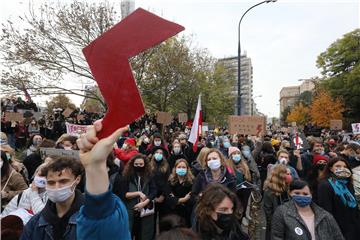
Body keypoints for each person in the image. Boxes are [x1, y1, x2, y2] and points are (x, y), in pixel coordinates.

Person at [75, 121, 131, 239]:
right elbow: (99, 215)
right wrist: (94, 166)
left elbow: (100, 213)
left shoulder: (118, 208)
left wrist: (95, 167)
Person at [21, 156, 84, 239]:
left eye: (63, 181)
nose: (57, 187)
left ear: (77, 179)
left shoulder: (91, 218)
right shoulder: (35, 222)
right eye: (51, 183)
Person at [271, 180, 344, 240]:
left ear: (311, 195)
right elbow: (276, 237)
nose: (301, 196)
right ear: (290, 193)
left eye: (305, 194)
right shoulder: (282, 213)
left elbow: (338, 236)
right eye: (297, 193)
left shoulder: (325, 216)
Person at [113, 153, 157, 240]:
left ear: (145, 164)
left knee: (144, 234)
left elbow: (153, 191)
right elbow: (124, 194)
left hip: (145, 211)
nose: (138, 166)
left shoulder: (149, 175)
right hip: (130, 210)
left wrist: (145, 202)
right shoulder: (126, 176)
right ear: (132, 164)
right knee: (129, 232)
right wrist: (138, 193)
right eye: (136, 164)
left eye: (141, 164)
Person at [317, 157, 360, 240]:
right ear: (331, 168)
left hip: (354, 225)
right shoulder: (325, 185)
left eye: (345, 166)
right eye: (338, 166)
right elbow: (326, 209)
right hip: (338, 226)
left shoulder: (348, 183)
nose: (342, 169)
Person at [263, 164, 291, 240]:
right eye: (287, 174)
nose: (289, 176)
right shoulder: (270, 191)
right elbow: (268, 212)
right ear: (281, 175)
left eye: (290, 174)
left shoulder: (287, 187)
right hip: (276, 226)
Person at [166, 159, 195, 227]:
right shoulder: (170, 181)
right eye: (179, 167)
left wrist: (176, 199)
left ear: (187, 169)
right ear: (175, 169)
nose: (181, 169)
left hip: (187, 213)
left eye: (183, 167)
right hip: (173, 213)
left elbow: (192, 198)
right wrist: (183, 199)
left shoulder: (192, 182)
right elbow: (169, 199)